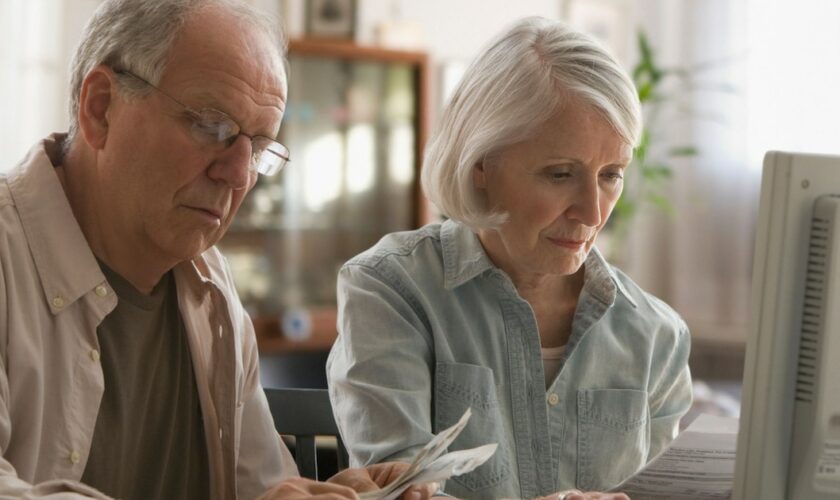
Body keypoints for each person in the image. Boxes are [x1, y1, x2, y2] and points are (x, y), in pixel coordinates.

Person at [0, 1, 436, 499]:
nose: (238, 175)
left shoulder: (213, 289)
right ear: (100, 108)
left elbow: (259, 487)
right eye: (212, 127)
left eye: (258, 148)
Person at [327, 16, 693, 500]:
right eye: (561, 174)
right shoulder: (391, 289)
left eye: (611, 175)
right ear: (481, 164)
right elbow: (398, 492)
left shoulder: (657, 336)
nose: (592, 211)